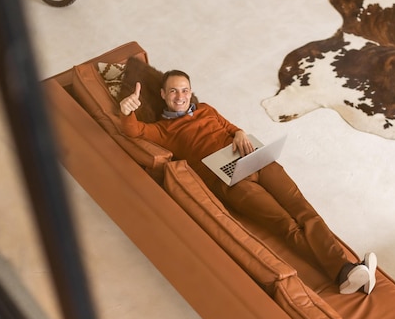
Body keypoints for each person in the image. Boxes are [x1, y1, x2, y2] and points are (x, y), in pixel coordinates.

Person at [119, 70, 377, 294]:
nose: (180, 96)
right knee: (286, 225)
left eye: (185, 90)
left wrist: (240, 133)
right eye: (173, 91)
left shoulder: (206, 109)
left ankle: (348, 272)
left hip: (256, 159)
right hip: (231, 181)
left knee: (303, 209)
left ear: (191, 92)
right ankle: (345, 272)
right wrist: (126, 111)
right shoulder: (163, 130)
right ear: (163, 95)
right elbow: (133, 131)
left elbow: (232, 128)